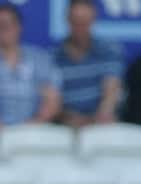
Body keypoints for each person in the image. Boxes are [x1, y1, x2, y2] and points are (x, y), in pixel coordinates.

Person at [0, 3, 62, 134]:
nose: (4, 29)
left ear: (19, 26)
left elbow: (53, 100)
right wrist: (0, 130)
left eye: (9, 24)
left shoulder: (40, 58)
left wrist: (32, 126)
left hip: (35, 131)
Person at [53, 0, 123, 128]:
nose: (80, 27)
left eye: (84, 22)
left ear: (93, 20)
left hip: (101, 123)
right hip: (66, 125)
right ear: (67, 20)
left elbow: (111, 90)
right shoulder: (54, 56)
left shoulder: (109, 50)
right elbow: (53, 99)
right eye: (76, 22)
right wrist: (71, 119)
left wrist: (99, 117)